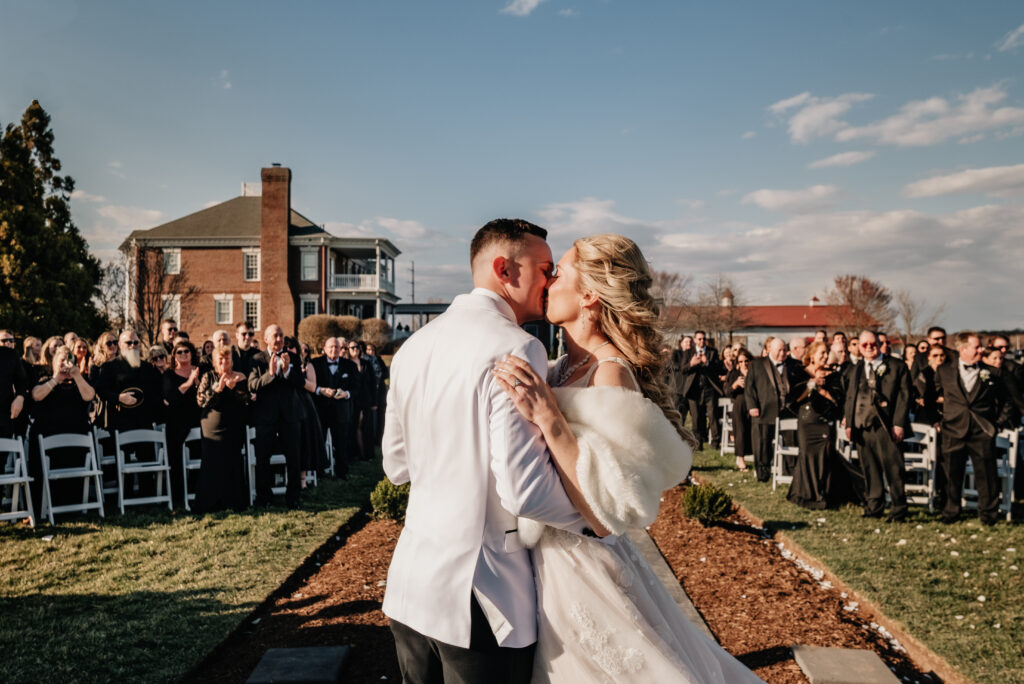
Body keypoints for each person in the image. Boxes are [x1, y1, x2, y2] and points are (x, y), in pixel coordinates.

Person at [492, 233, 760, 683]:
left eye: (559, 272)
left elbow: (605, 516)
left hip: (584, 567)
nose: (548, 281)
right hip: (547, 561)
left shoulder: (609, 371)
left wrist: (549, 418)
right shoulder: (562, 367)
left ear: (590, 295)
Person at [381, 219, 594, 683]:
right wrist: (594, 522)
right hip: (481, 598)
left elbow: (396, 466)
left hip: (410, 587)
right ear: (504, 269)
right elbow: (524, 490)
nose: (551, 280)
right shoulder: (517, 347)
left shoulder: (412, 348)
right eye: (544, 268)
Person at [933, 332, 1015, 525]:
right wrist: (939, 420)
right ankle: (950, 513)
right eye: (976, 347)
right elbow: (931, 398)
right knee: (952, 474)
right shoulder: (944, 371)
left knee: (986, 476)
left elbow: (1007, 400)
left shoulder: (992, 372)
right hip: (953, 430)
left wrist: (998, 423)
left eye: (980, 347)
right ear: (963, 349)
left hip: (982, 431)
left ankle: (988, 515)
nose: (981, 350)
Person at [842, 330, 911, 522]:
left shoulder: (897, 366)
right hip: (863, 426)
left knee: (894, 469)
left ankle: (898, 510)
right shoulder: (855, 369)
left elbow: (904, 397)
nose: (869, 347)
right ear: (859, 347)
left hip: (887, 427)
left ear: (879, 344)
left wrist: (898, 424)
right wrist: (849, 422)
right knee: (869, 468)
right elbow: (850, 397)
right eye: (864, 345)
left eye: (873, 343)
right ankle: (874, 507)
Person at [27, 345, 96, 517]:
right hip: (48, 439)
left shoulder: (79, 383)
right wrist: (56, 379)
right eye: (61, 360)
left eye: (68, 360)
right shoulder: (45, 381)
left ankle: (74, 505)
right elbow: (36, 395)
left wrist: (77, 375)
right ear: (54, 363)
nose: (65, 364)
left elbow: (89, 396)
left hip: (76, 440)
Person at [248, 324, 305, 509]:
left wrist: (287, 370)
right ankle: (264, 497)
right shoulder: (256, 359)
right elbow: (253, 385)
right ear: (266, 339)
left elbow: (300, 383)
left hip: (290, 416)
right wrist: (270, 374)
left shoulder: (293, 357)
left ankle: (293, 498)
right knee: (263, 458)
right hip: (266, 417)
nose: (278, 339)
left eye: (281, 335)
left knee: (294, 459)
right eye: (274, 336)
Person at [788, 341, 843, 509]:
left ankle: (821, 495)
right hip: (806, 422)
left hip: (824, 423)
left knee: (823, 458)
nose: (825, 356)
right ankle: (805, 495)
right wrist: (811, 384)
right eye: (822, 353)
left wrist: (823, 390)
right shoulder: (799, 372)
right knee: (807, 456)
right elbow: (794, 399)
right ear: (811, 356)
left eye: (827, 353)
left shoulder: (832, 375)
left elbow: (837, 400)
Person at [193, 346, 249, 513]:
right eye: (220, 359)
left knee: (232, 460)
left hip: (233, 425)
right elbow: (201, 400)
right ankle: (210, 503)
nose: (224, 362)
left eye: (227, 359)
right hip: (212, 427)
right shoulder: (207, 376)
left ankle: (233, 501)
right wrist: (217, 389)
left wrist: (233, 389)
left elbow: (246, 399)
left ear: (232, 360)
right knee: (212, 462)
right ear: (215, 361)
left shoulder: (239, 376)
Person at [744, 337, 801, 482]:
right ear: (770, 349)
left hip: (788, 411)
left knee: (791, 441)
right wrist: (752, 406)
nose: (782, 353)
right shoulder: (757, 365)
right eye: (779, 350)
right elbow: (749, 388)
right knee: (762, 444)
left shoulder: (794, 365)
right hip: (763, 410)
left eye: (784, 350)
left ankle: (790, 473)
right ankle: (763, 475)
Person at [309, 337, 357, 479]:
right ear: (324, 348)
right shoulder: (315, 364)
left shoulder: (349, 366)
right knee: (320, 441)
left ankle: (341, 471)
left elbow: (356, 388)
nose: (333, 350)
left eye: (336, 347)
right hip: (321, 410)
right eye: (330, 347)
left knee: (341, 442)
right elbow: (310, 385)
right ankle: (319, 471)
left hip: (341, 411)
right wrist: (321, 390)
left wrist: (346, 394)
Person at [163, 340, 202, 506]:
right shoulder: (169, 375)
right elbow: (170, 398)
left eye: (186, 351)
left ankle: (200, 491)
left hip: (198, 420)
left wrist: (198, 382)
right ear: (174, 355)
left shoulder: (201, 371)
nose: (183, 354)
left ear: (192, 353)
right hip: (177, 422)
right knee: (177, 457)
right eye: (179, 352)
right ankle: (179, 496)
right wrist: (188, 382)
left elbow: (206, 397)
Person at [679, 330, 724, 450]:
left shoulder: (712, 352)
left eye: (703, 339)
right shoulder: (689, 352)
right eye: (699, 339)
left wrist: (707, 362)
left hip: (709, 389)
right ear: (694, 340)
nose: (702, 341)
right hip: (694, 390)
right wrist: (692, 364)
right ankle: (698, 443)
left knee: (713, 415)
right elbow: (683, 369)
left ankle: (715, 442)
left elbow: (718, 369)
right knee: (696, 418)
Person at [348, 339, 377, 461]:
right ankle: (358, 453)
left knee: (367, 426)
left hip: (366, 399)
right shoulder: (347, 364)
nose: (355, 349)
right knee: (356, 425)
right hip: (353, 400)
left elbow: (373, 383)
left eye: (357, 347)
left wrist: (374, 402)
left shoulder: (366, 364)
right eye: (352, 347)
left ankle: (368, 454)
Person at [726, 347, 753, 471]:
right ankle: (741, 459)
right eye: (741, 361)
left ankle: (751, 454)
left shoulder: (754, 372)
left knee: (752, 430)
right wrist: (735, 385)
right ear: (737, 363)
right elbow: (727, 391)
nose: (744, 364)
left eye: (746, 361)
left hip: (753, 404)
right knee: (740, 431)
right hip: (740, 404)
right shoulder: (734, 374)